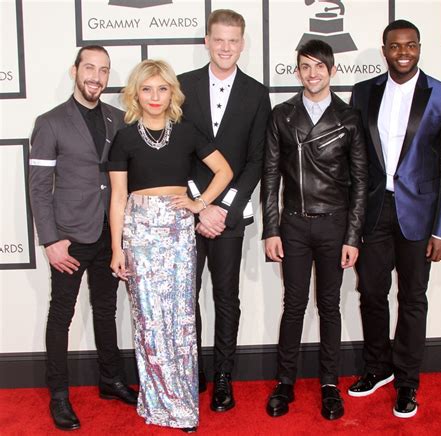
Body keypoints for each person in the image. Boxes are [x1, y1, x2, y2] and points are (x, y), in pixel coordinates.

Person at [348, 20, 441, 418]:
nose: (403, 52)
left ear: (419, 48)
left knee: (413, 300)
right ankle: (377, 368)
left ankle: (407, 382)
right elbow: (356, 158)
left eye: (411, 45)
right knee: (371, 294)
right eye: (396, 46)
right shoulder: (363, 92)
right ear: (384, 50)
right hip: (374, 211)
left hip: (420, 216)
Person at [108, 59, 232, 432]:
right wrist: (117, 249)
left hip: (178, 231)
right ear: (136, 94)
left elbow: (224, 171)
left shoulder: (187, 131)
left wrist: (200, 204)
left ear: (172, 93)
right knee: (148, 321)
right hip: (139, 231)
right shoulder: (125, 137)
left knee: (180, 320)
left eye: (162, 88)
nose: (155, 96)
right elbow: (117, 199)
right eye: (147, 89)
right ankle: (157, 400)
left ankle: (181, 401)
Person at [29, 45, 138, 432]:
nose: (96, 76)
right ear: (75, 71)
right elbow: (39, 188)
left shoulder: (119, 119)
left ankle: (110, 380)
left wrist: (123, 237)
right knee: (62, 315)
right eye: (89, 68)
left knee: (107, 310)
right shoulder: (50, 122)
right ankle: (59, 394)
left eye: (103, 70)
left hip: (110, 235)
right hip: (70, 238)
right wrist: (50, 240)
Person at [261, 39, 367, 421]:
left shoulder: (349, 117)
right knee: (293, 305)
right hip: (292, 225)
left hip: (334, 225)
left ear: (333, 70)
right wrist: (270, 229)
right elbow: (270, 176)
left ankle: (328, 385)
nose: (313, 73)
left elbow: (359, 181)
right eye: (305, 66)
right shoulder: (282, 115)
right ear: (297, 72)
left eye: (320, 66)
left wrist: (352, 236)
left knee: (330, 306)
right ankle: (284, 383)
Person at [178, 9, 271, 411]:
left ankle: (223, 376)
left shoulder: (256, 92)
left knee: (227, 298)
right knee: (187, 296)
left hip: (231, 217)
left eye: (233, 40)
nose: (226, 47)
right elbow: (176, 152)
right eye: (219, 39)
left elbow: (256, 160)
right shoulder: (181, 87)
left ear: (243, 43)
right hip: (186, 210)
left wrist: (222, 209)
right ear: (207, 41)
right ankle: (193, 368)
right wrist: (200, 206)